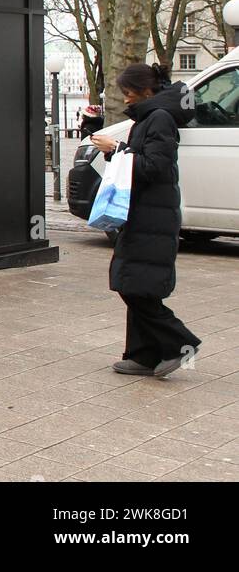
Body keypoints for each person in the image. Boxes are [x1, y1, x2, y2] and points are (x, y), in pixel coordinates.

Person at [91, 63, 200, 378]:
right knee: (138, 284)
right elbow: (145, 163)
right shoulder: (150, 117)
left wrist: (117, 149)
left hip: (153, 216)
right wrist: (120, 153)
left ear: (146, 90)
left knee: (135, 285)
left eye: (128, 92)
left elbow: (155, 166)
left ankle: (181, 343)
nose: (125, 99)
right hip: (144, 214)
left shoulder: (160, 119)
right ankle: (143, 355)